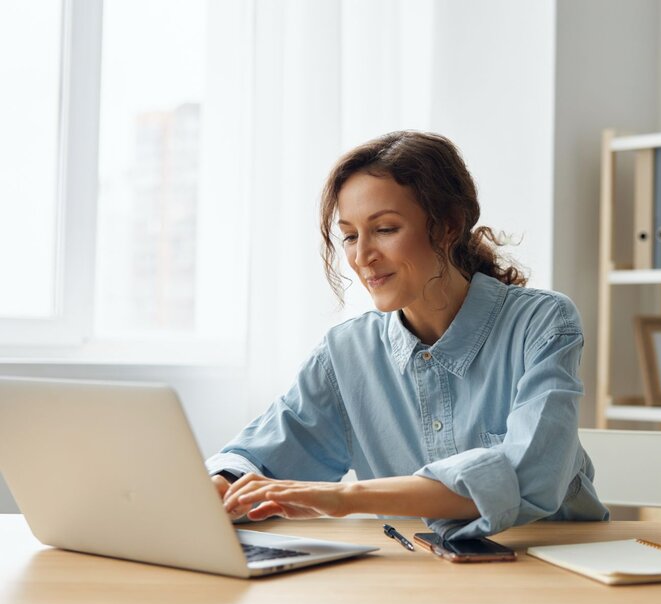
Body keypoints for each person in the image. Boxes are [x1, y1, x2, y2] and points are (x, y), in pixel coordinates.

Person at [206, 131, 608, 539]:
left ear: (448, 225)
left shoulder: (542, 324)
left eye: (384, 229)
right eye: (349, 235)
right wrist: (218, 487)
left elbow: (530, 475)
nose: (362, 257)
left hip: (557, 566)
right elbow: (262, 455)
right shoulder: (346, 353)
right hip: (420, 575)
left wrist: (348, 498)